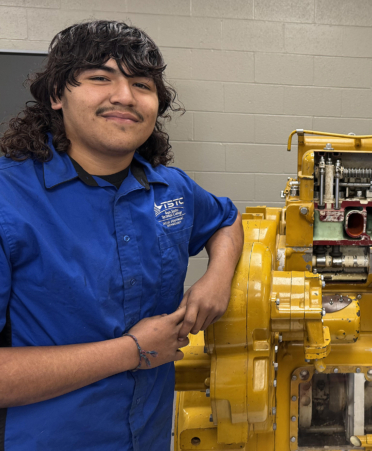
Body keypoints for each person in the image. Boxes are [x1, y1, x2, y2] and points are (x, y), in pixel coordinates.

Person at [0, 20, 243, 451]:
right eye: (100, 78)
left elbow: (226, 220)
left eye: (141, 84)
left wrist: (217, 279)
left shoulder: (172, 189)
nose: (125, 97)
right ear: (57, 95)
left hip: (148, 438)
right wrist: (134, 350)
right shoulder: (9, 200)